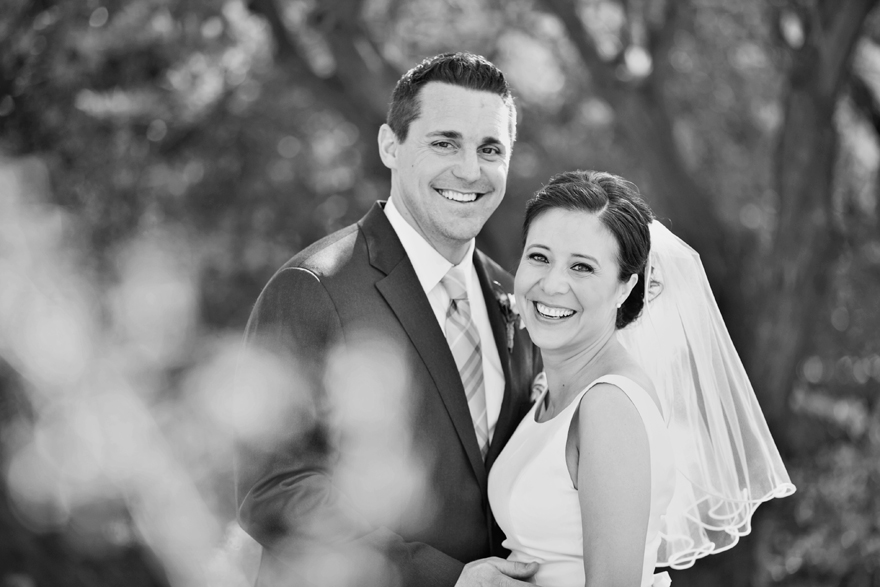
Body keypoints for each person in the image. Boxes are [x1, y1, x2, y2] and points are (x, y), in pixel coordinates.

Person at [234, 53, 542, 587]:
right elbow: (275, 490)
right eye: (444, 142)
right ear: (389, 146)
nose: (470, 169)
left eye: (490, 149)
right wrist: (443, 579)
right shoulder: (314, 287)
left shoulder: (516, 298)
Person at [488, 170, 795, 586]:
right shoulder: (554, 390)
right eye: (539, 257)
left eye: (582, 267)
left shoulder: (609, 408)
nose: (553, 283)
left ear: (625, 288)